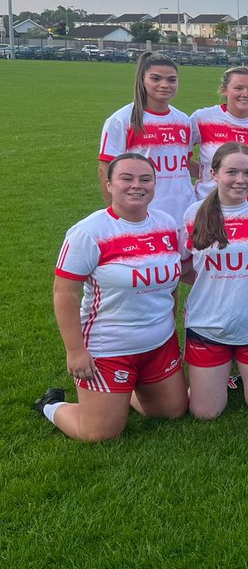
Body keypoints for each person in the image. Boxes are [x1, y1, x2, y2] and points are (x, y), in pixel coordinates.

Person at [38, 153, 187, 441]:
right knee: (100, 434)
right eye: (126, 178)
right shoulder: (89, 232)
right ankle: (51, 405)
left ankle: (124, 389)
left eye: (145, 179)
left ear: (155, 184)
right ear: (108, 184)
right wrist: (76, 351)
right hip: (109, 348)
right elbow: (64, 292)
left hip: (159, 342)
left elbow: (172, 281)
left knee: (173, 411)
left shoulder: (167, 224)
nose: (136, 185)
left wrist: (170, 317)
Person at [180, 143, 248, 419]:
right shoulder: (194, 214)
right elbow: (181, 265)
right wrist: (213, 284)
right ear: (214, 173)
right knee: (205, 413)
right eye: (232, 172)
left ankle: (244, 372)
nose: (240, 180)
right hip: (208, 327)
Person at [98, 52, 194, 226]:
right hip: (145, 213)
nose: (164, 85)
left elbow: (184, 163)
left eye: (172, 80)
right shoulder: (123, 119)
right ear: (142, 79)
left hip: (186, 211)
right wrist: (115, 215)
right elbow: (105, 169)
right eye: (156, 79)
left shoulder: (183, 120)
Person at [191, 66, 248, 200]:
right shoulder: (203, 118)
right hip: (211, 203)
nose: (245, 94)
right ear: (224, 90)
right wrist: (204, 172)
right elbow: (180, 158)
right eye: (238, 88)